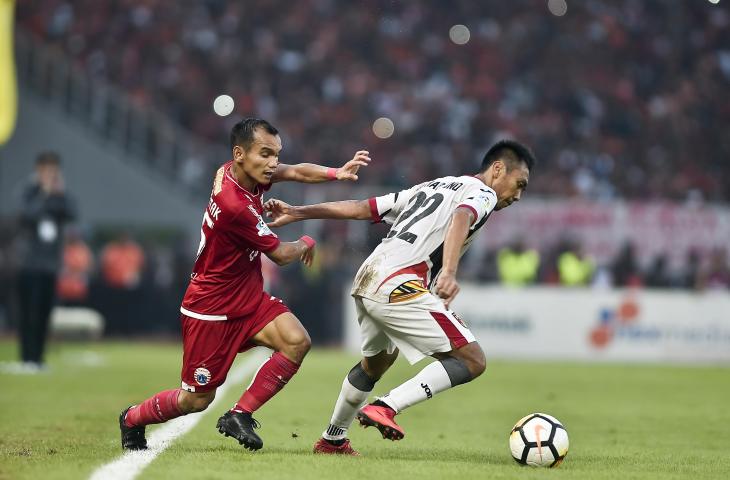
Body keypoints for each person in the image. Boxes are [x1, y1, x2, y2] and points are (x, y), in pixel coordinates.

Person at [265, 139, 535, 455]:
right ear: (498, 169)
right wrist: (448, 271)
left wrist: (298, 212)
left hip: (369, 276)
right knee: (472, 360)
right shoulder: (484, 193)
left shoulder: (431, 187)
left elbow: (362, 208)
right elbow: (463, 216)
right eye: (519, 185)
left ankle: (332, 439)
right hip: (398, 282)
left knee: (376, 363)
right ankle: (386, 407)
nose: (517, 195)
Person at [118, 117, 370, 451]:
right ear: (240, 153)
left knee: (296, 341)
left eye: (276, 154)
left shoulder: (236, 171)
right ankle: (132, 418)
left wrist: (335, 173)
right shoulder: (234, 205)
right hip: (211, 307)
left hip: (247, 296)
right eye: (265, 154)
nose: (273, 163)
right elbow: (280, 254)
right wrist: (308, 241)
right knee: (195, 400)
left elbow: (294, 171)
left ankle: (240, 414)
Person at [13, 152, 77, 372]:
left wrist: (58, 194)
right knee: (27, 312)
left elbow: (72, 213)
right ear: (39, 170)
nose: (51, 175)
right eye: (47, 170)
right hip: (28, 263)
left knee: (43, 313)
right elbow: (27, 215)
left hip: (50, 265)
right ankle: (26, 358)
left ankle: (38, 359)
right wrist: (45, 194)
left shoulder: (60, 194)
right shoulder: (29, 191)